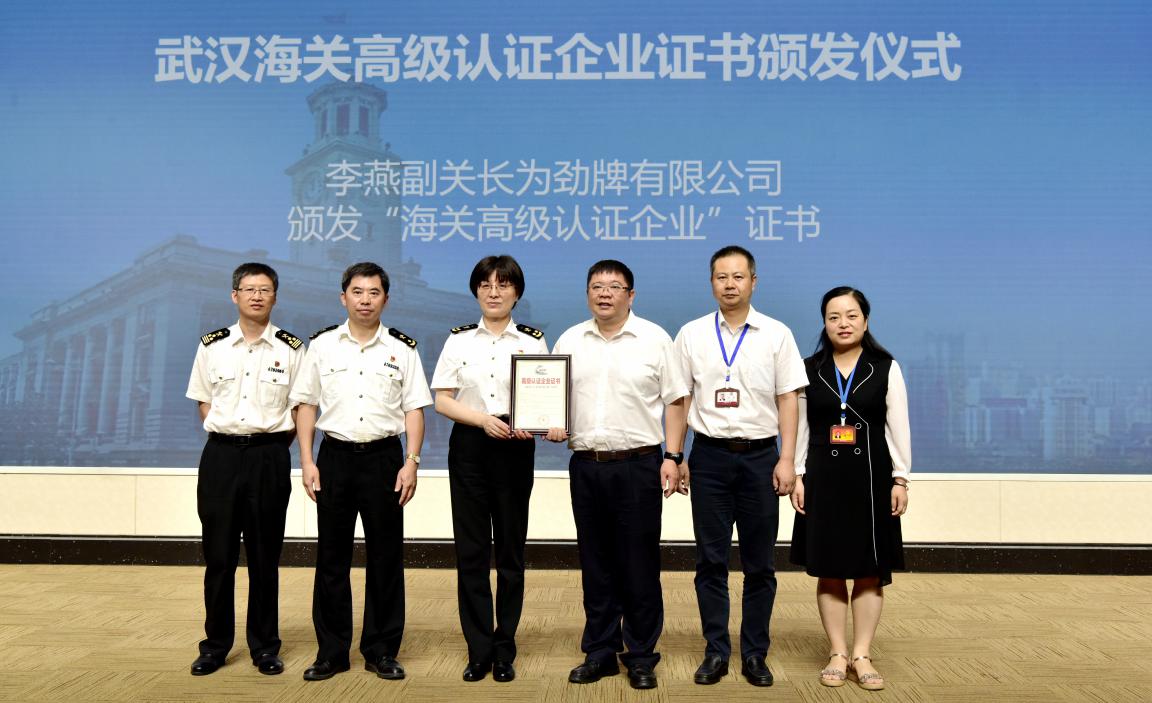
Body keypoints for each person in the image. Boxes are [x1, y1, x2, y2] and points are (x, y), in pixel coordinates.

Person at [547, 259, 689, 690]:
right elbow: (550, 394)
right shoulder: (571, 339)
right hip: (587, 465)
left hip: (639, 465)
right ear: (587, 293)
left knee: (639, 562)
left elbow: (676, 401)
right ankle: (600, 651)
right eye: (596, 286)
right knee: (595, 562)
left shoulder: (654, 339)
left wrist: (673, 455)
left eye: (614, 286)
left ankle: (641, 655)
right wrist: (551, 421)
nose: (604, 293)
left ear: (631, 295)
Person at [670, 245, 808, 687]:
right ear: (711, 282)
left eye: (738, 276)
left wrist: (788, 460)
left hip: (761, 458)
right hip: (709, 457)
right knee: (710, 561)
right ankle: (716, 650)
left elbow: (789, 399)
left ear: (753, 282)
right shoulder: (691, 334)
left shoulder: (776, 334)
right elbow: (680, 399)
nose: (729, 284)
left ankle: (754, 653)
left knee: (759, 564)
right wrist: (676, 455)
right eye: (721, 277)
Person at [290, 261, 432, 682]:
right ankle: (331, 652)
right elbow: (306, 405)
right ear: (343, 297)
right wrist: (307, 460)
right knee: (331, 558)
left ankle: (381, 650)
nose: (365, 300)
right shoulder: (322, 346)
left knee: (386, 558)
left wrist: (411, 461)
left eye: (373, 292)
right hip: (334, 457)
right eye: (357, 292)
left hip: (385, 459)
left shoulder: (402, 348)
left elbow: (414, 409)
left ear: (385, 298)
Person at [430, 255, 547, 683]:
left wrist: (541, 423)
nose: (494, 292)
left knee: (512, 552)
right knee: (472, 551)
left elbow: (546, 397)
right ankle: (478, 649)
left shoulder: (533, 341)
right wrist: (482, 420)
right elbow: (442, 399)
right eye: (485, 285)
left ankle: (504, 648)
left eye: (503, 284)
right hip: (470, 446)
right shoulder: (459, 340)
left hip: (515, 446)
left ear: (517, 292)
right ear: (476, 291)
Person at [185, 262, 305, 677]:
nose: (257, 296)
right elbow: (204, 401)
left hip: (268, 457)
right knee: (218, 557)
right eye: (249, 289)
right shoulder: (212, 345)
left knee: (264, 557)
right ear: (234, 295)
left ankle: (265, 647)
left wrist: (265, 446)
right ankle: (215, 646)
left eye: (265, 289)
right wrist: (230, 436)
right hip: (220, 458)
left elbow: (299, 409)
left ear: (275, 297)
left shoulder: (291, 348)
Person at [789, 286, 910, 691]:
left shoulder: (885, 367)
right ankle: (837, 653)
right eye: (834, 317)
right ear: (824, 323)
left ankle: (862, 655)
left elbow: (898, 426)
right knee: (829, 568)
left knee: (870, 570)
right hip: (823, 477)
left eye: (851, 315)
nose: (843, 323)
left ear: (865, 320)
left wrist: (901, 478)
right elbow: (801, 427)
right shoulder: (808, 369)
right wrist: (799, 475)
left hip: (872, 478)